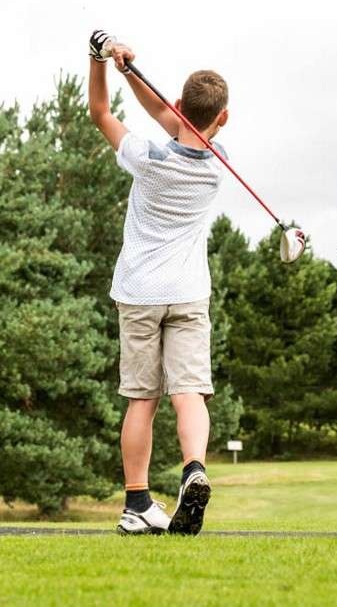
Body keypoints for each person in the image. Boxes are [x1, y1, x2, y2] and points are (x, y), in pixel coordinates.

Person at [87, 31, 228, 536]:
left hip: (140, 293)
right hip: (189, 293)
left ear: (180, 104)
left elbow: (102, 113)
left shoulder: (147, 157)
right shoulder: (217, 164)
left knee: (141, 400)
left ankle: (137, 503)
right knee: (189, 392)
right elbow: (175, 118)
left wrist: (100, 60)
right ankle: (194, 469)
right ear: (222, 119)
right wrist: (130, 71)